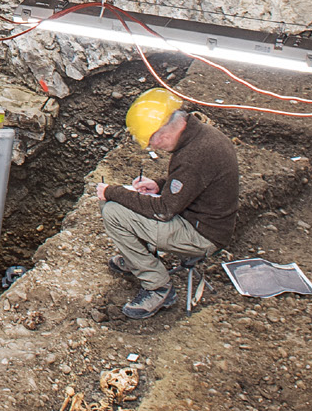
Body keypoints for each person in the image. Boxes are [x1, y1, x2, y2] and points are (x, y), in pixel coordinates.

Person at [96, 87, 240, 320]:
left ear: (161, 132)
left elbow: (164, 211)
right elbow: (192, 185)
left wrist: (114, 192)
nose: (153, 147)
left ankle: (157, 287)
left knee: (112, 210)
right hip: (203, 220)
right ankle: (137, 259)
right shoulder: (202, 135)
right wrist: (159, 185)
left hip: (202, 235)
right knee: (123, 204)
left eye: (152, 142)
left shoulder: (194, 156)